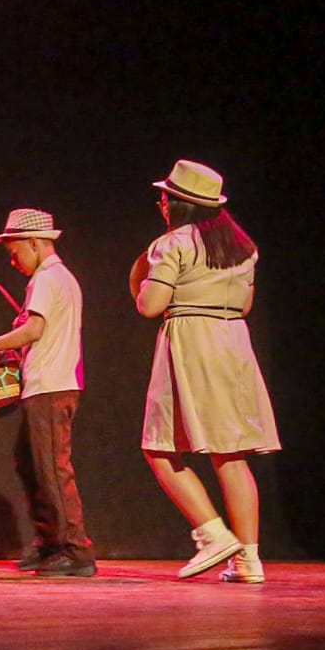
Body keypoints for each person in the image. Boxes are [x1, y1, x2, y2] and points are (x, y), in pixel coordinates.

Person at [131, 159, 280, 584]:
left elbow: (150, 306)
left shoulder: (172, 244)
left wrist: (141, 275)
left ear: (178, 204)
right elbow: (245, 305)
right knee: (229, 453)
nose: (161, 204)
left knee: (160, 446)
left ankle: (212, 533)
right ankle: (248, 560)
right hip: (232, 342)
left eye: (165, 198)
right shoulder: (243, 247)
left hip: (190, 341)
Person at [0, 209, 94, 577]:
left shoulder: (48, 278)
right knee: (30, 462)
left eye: (15, 252)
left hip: (51, 385)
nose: (13, 261)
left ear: (35, 243)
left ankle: (75, 549)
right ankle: (51, 541)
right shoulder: (56, 279)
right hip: (47, 383)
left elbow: (34, 330)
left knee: (52, 468)